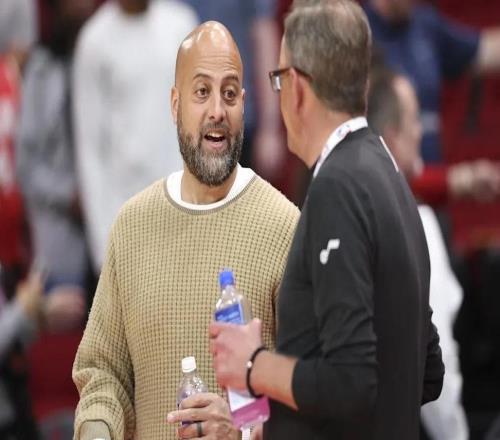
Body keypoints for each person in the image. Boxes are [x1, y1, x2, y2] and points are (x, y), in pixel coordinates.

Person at [209, 2, 444, 439]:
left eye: (278, 79)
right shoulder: (389, 173)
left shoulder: (337, 186)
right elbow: (426, 370)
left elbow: (352, 383)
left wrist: (253, 365)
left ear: (297, 88)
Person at [72, 21, 299, 440]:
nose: (217, 111)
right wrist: (97, 430)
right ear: (175, 104)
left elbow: (310, 393)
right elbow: (103, 373)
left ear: (244, 104)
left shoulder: (285, 227)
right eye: (201, 92)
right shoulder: (132, 226)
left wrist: (244, 431)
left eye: (229, 93)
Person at [367, 66, 468, 440]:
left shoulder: (340, 213)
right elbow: (442, 363)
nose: (420, 131)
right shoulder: (417, 222)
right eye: (412, 120)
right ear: (392, 136)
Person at [72, 0, 198, 273]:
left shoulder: (181, 24)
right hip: (126, 217)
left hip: (184, 207)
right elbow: (89, 147)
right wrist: (102, 247)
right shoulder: (94, 41)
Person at [364, 0, 500, 206]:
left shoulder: (425, 26)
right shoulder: (360, 34)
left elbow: (485, 51)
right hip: (388, 197)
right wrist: (460, 180)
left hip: (434, 194)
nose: (417, 131)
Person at [16, 0, 96, 333]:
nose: (82, 6)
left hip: (110, 232)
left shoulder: (104, 61)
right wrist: (69, 196)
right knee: (65, 346)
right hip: (61, 242)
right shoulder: (41, 70)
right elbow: (26, 167)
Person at [0, 268, 43, 439]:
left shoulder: (4, 273)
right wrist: (21, 307)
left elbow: (22, 340)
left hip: (14, 404)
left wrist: (36, 312)